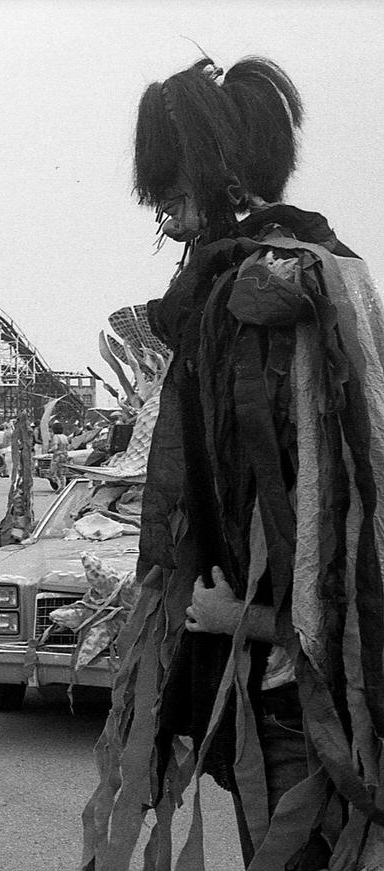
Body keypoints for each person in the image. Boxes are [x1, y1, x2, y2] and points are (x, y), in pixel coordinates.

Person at [83, 57, 384, 870]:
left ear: (218, 179)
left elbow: (339, 559)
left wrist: (236, 618)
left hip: (300, 711)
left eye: (172, 196)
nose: (168, 221)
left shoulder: (257, 307)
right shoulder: (322, 278)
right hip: (270, 694)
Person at [48, 420, 69, 489]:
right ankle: (63, 487)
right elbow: (68, 446)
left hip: (57, 456)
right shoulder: (64, 437)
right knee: (62, 473)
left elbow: (55, 446)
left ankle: (59, 486)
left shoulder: (56, 437)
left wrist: (50, 450)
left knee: (53, 473)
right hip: (65, 455)